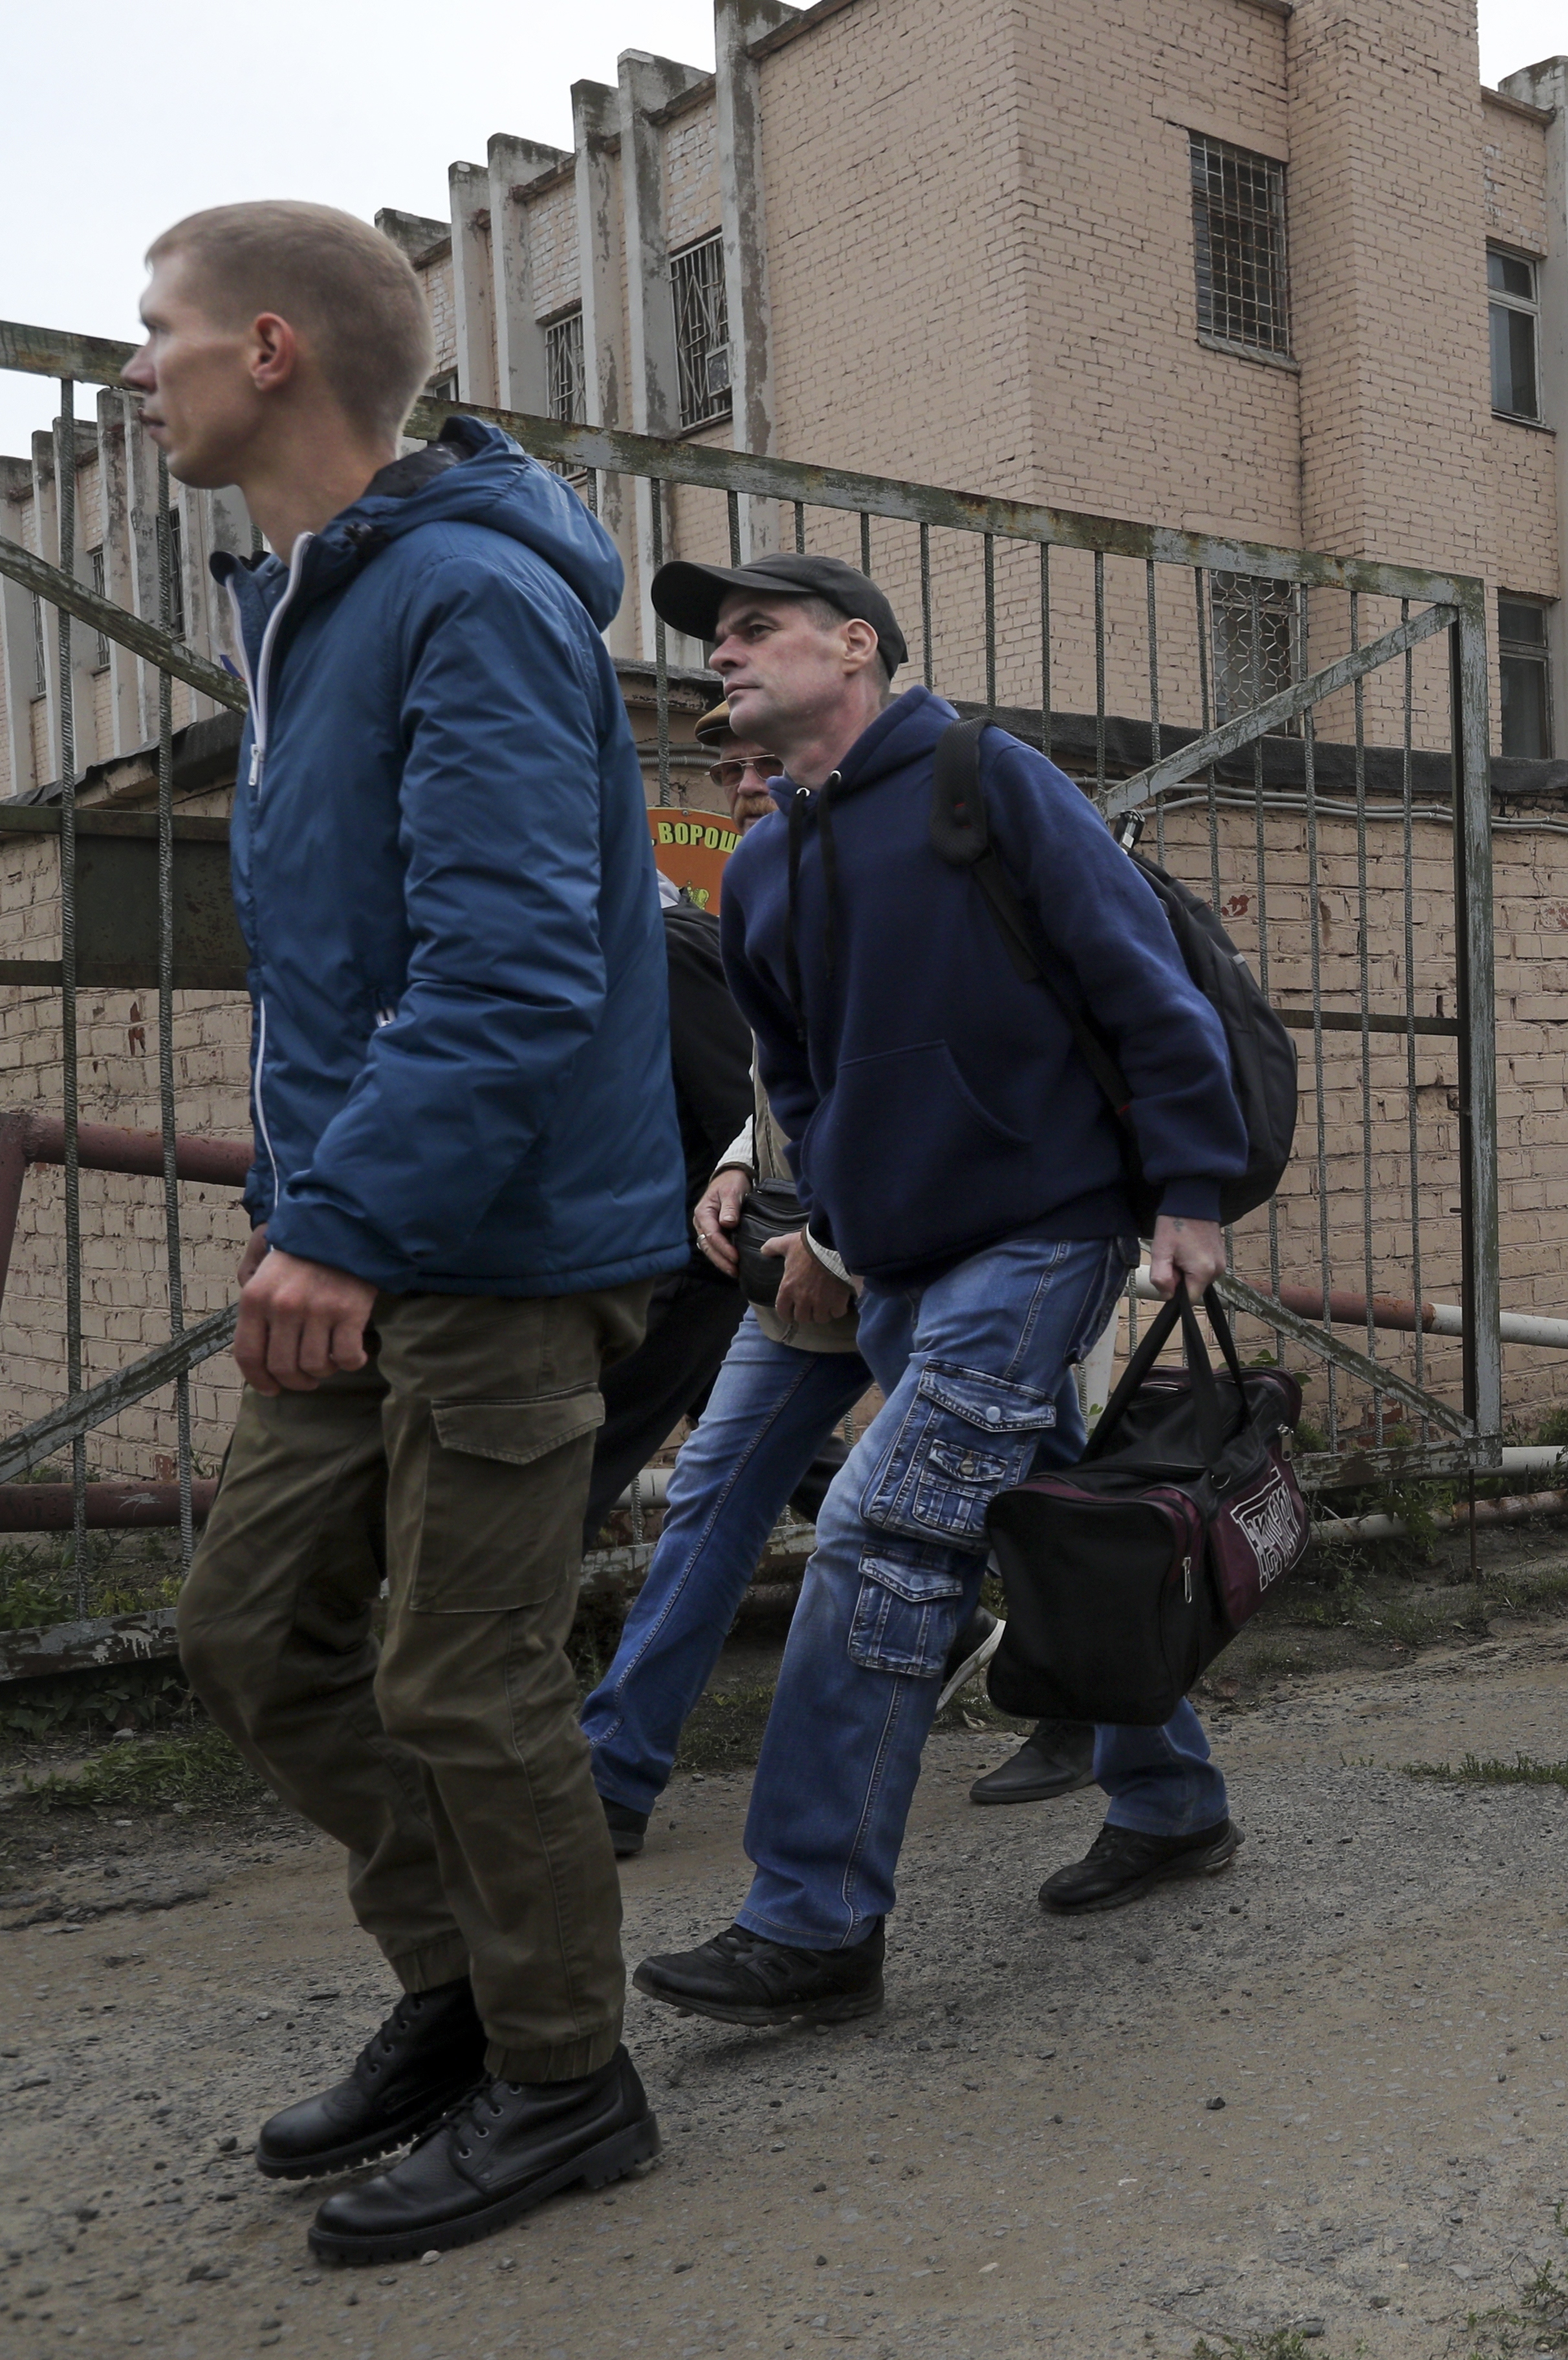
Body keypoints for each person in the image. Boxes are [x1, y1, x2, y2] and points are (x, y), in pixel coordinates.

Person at [132, 202, 680, 2260]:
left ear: (270, 348)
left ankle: (569, 2078)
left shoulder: (466, 597)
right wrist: (325, 1210)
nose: (136, 369)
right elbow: (359, 964)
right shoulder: (311, 601)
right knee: (253, 1629)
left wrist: (343, 1226)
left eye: (158, 329)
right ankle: (462, 1989)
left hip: (501, 1248)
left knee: (465, 1678)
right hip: (372, 1225)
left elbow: (519, 963)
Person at [631, 550, 1254, 2028]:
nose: (724, 656)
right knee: (1052, 1538)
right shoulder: (768, 860)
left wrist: (1185, 1188)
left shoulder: (988, 780)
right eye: (712, 641)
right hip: (892, 1264)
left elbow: (1140, 986)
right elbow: (792, 1076)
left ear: (855, 647)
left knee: (876, 1533)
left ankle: (812, 1919)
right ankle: (1169, 1798)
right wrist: (829, 1234)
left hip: (1041, 1235)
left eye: (754, 629)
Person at [578, 697, 896, 1859]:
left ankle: (1148, 1757)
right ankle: (612, 1771)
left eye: (773, 764)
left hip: (950, 1265)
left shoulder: (897, 884)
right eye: (734, 770)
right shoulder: (765, 901)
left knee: (1032, 1503)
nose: (746, 786)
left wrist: (838, 1239)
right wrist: (728, 1166)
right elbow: (772, 1076)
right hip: (798, 1261)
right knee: (711, 1497)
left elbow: (928, 1068)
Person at [577, 728, 763, 1547]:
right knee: (766, 1451)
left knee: (563, 1472)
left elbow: (735, 1108)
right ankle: (988, 1599)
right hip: (664, 1252)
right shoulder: (624, 941)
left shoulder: (665, 942)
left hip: (683, 1263)